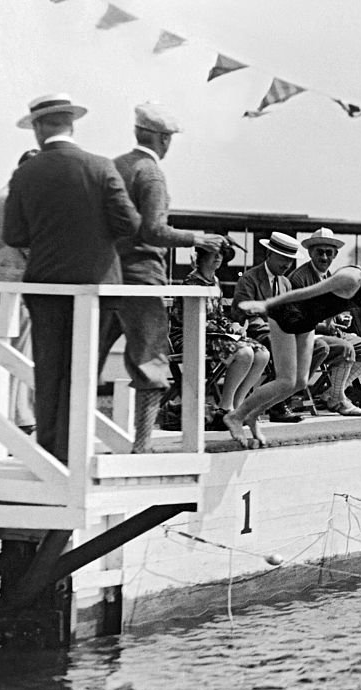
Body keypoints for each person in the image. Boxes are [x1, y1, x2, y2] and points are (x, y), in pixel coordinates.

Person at [3, 93, 141, 463]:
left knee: (49, 375)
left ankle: (51, 453)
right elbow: (130, 224)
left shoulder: (25, 173)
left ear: (37, 128)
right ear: (72, 123)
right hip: (99, 287)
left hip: (47, 287)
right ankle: (75, 453)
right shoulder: (100, 168)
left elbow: (14, 235)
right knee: (85, 374)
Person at [98, 103, 226, 452]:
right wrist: (197, 239)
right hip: (141, 278)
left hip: (106, 275)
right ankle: (142, 445)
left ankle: (66, 440)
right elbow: (153, 230)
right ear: (163, 139)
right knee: (150, 363)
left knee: (87, 359)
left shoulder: (114, 167)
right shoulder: (150, 174)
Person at [223, 235, 361, 447]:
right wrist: (266, 305)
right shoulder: (351, 277)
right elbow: (304, 293)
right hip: (286, 314)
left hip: (308, 322)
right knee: (286, 380)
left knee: (300, 382)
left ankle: (252, 415)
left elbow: (328, 304)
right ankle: (236, 416)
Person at [171, 245, 269, 429]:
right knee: (244, 353)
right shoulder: (192, 283)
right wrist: (226, 329)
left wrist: (233, 325)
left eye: (221, 254)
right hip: (189, 335)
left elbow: (217, 315)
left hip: (213, 335)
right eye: (212, 254)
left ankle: (239, 406)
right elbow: (192, 319)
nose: (218, 258)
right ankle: (226, 408)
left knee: (262, 353)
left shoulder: (215, 281)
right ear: (201, 257)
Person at [289, 227, 361, 416]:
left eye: (328, 253)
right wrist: (323, 325)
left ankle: (332, 393)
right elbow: (295, 318)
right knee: (346, 349)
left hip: (331, 332)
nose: (324, 257)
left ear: (335, 254)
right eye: (319, 252)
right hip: (309, 335)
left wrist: (340, 316)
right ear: (310, 252)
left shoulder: (332, 277)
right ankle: (338, 399)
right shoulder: (299, 278)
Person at [230, 231, 312, 423]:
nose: (286, 265)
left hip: (280, 332)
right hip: (254, 332)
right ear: (269, 255)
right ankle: (276, 404)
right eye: (283, 258)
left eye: (290, 261)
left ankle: (281, 397)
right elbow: (242, 310)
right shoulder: (250, 278)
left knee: (316, 348)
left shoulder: (285, 282)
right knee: (283, 346)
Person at [0, 148, 39, 433]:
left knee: (11, 354)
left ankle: (17, 415)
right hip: (12, 284)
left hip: (2, 282)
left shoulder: (6, 194)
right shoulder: (12, 199)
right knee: (12, 355)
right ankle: (10, 419)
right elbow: (24, 242)